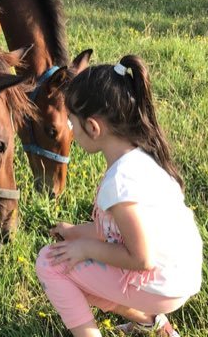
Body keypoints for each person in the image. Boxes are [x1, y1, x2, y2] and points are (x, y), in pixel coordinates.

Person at [35, 55, 203, 337]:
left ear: (93, 127)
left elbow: (141, 259)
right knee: (75, 261)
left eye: (72, 124)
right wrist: (75, 232)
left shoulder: (120, 182)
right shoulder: (142, 159)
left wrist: (85, 249)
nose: (72, 133)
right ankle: (152, 323)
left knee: (50, 263)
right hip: (178, 275)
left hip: (161, 282)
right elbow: (116, 234)